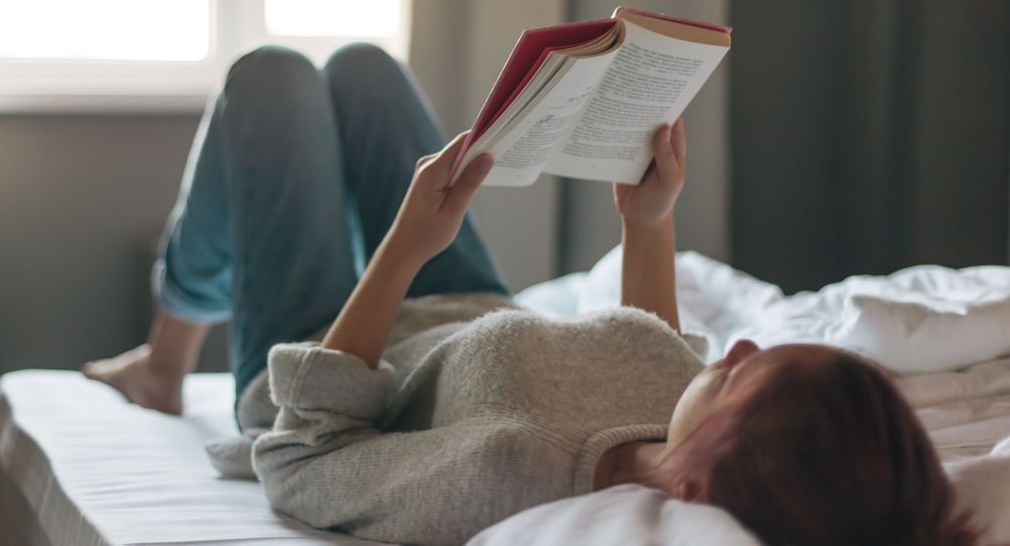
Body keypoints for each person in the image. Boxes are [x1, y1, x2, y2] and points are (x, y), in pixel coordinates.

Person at [84, 44, 979, 546]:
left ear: (696, 484)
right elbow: (650, 353)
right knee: (363, 71)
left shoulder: (510, 475)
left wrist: (400, 252)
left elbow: (305, 457)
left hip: (323, 351)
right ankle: (168, 345)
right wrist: (648, 220)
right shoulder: (679, 431)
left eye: (744, 378)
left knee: (267, 82)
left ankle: (169, 356)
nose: (737, 349)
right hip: (468, 302)